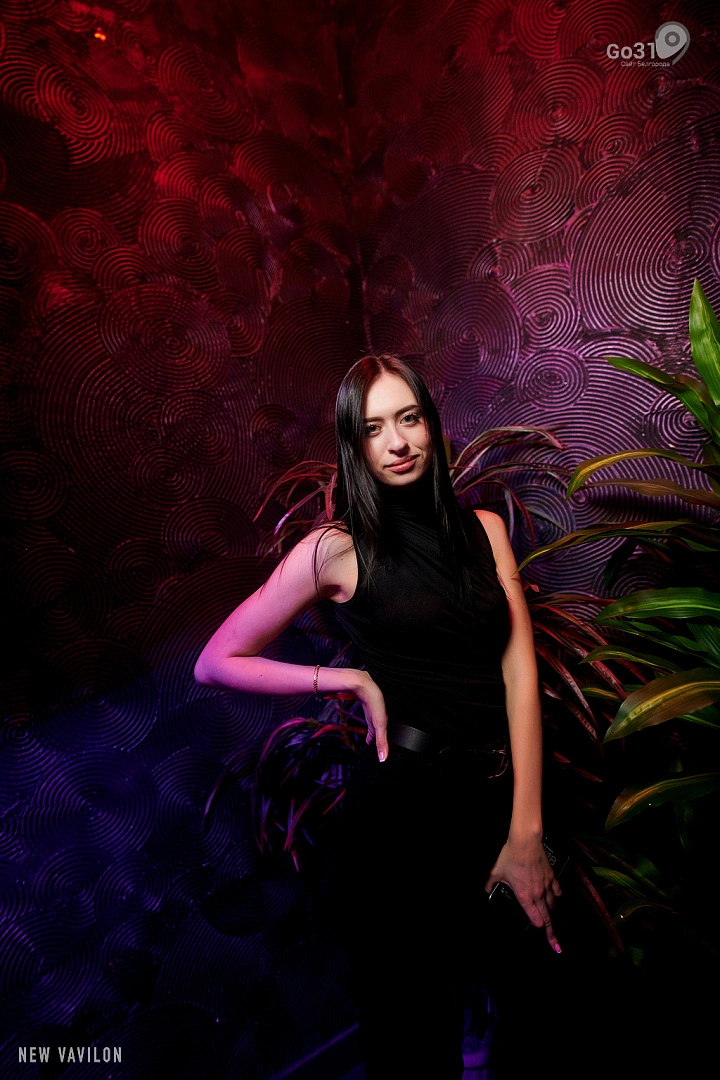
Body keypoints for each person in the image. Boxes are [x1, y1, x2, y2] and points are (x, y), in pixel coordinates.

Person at [194, 354, 562, 1078]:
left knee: (537, 1005)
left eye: (409, 418)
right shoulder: (335, 549)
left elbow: (519, 670)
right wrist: (344, 677)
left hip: (495, 798)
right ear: (354, 444)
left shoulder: (485, 529)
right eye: (373, 428)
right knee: (411, 1038)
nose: (396, 442)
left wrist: (526, 831)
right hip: (400, 815)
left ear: (430, 425)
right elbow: (217, 659)